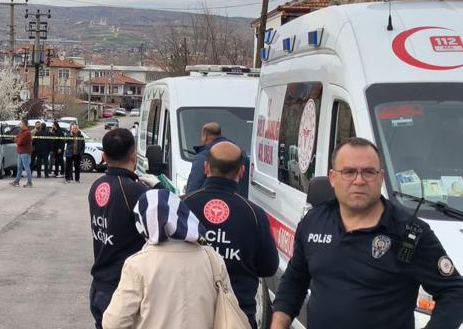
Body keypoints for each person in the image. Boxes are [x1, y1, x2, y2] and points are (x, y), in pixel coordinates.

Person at [271, 137, 463, 329]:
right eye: (349, 172)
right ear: (332, 177)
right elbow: (295, 281)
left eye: (369, 172)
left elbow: (455, 292)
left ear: (380, 177)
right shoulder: (314, 221)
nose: (359, 180)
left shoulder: (409, 233)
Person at [103, 188, 231, 329]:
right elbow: (229, 306)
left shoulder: (137, 264)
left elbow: (114, 323)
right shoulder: (213, 258)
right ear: (181, 214)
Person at [183, 141, 278, 328]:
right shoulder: (254, 214)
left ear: (206, 167)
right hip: (237, 316)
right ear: (242, 171)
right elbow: (269, 267)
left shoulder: (183, 205)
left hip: (189, 312)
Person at [88, 128, 156, 329]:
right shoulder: (134, 190)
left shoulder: (98, 185)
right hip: (123, 288)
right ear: (134, 156)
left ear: (103, 156)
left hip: (100, 283)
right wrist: (158, 189)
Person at [185, 122, 250, 197]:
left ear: (205, 137)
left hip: (209, 203)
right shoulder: (239, 154)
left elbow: (193, 187)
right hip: (237, 203)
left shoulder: (203, 157)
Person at [11, 120, 33, 188]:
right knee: (19, 168)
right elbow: (16, 139)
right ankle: (17, 181)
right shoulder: (21, 132)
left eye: (21, 124)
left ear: (24, 124)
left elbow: (20, 142)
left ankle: (29, 183)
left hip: (25, 152)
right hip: (20, 151)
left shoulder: (27, 133)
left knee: (26, 168)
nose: (19, 125)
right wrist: (17, 139)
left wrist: (17, 140)